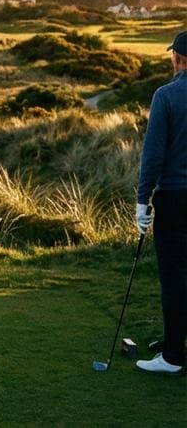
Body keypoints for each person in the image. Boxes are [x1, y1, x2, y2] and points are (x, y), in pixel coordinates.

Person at [135, 31, 187, 374]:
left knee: (174, 276)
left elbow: (152, 156)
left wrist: (142, 200)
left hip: (175, 198)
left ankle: (172, 358)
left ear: (179, 59)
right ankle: (174, 340)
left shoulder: (166, 95)